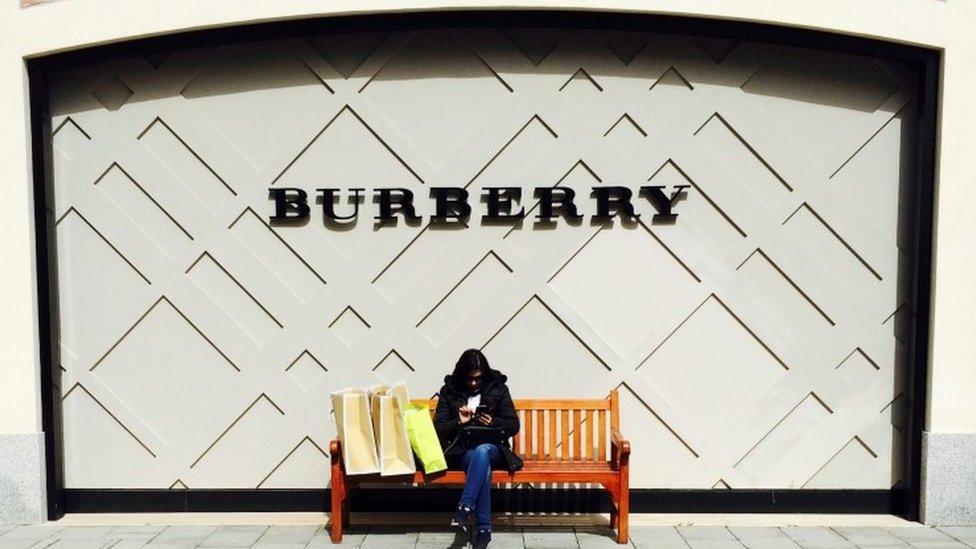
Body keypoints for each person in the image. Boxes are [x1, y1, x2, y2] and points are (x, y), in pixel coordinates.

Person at [433, 349, 522, 549]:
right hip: (463, 451)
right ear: (461, 375)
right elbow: (439, 428)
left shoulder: (498, 388)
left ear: (485, 375)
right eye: (469, 379)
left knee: (482, 452)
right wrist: (459, 422)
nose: (473, 383)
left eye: (478, 379)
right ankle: (483, 530)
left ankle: (465, 506)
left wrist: (493, 422)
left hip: (494, 449)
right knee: (481, 465)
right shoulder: (450, 391)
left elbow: (513, 424)